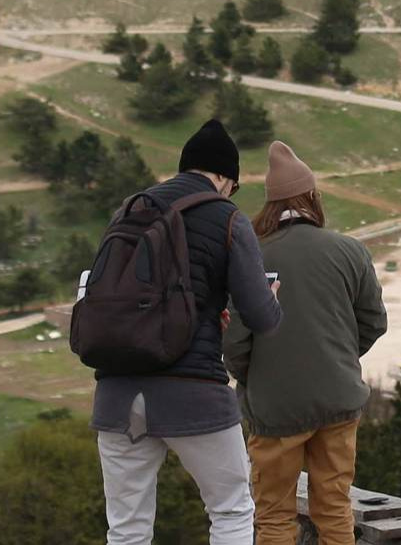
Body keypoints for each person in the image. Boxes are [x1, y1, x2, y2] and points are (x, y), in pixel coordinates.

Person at [95, 117, 284, 545]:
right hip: (192, 387)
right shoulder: (226, 218)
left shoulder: (129, 209)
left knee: (126, 528)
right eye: (232, 187)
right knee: (232, 509)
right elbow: (261, 317)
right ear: (224, 177)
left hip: (117, 393)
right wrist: (270, 296)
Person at [225, 141, 386, 545]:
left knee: (275, 514)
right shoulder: (350, 251)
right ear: (312, 196)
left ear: (270, 204)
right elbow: (374, 323)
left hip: (276, 408)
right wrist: (339, 356)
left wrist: (257, 375)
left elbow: (235, 344)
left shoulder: (251, 258)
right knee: (334, 507)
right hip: (339, 400)